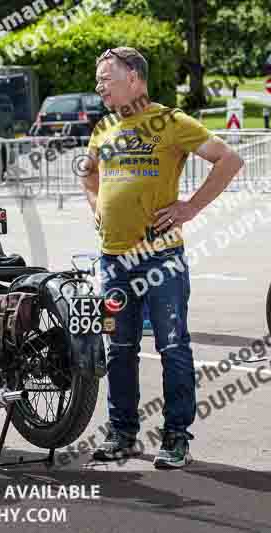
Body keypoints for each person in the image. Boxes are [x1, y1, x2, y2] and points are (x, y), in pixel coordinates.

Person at [82, 47, 243, 469]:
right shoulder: (103, 128)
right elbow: (88, 171)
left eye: (106, 78)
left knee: (173, 347)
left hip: (160, 258)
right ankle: (123, 435)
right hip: (113, 259)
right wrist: (96, 203)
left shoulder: (171, 121)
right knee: (119, 348)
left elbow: (230, 159)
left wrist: (191, 207)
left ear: (134, 77)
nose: (99, 86)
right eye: (98, 80)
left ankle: (175, 437)